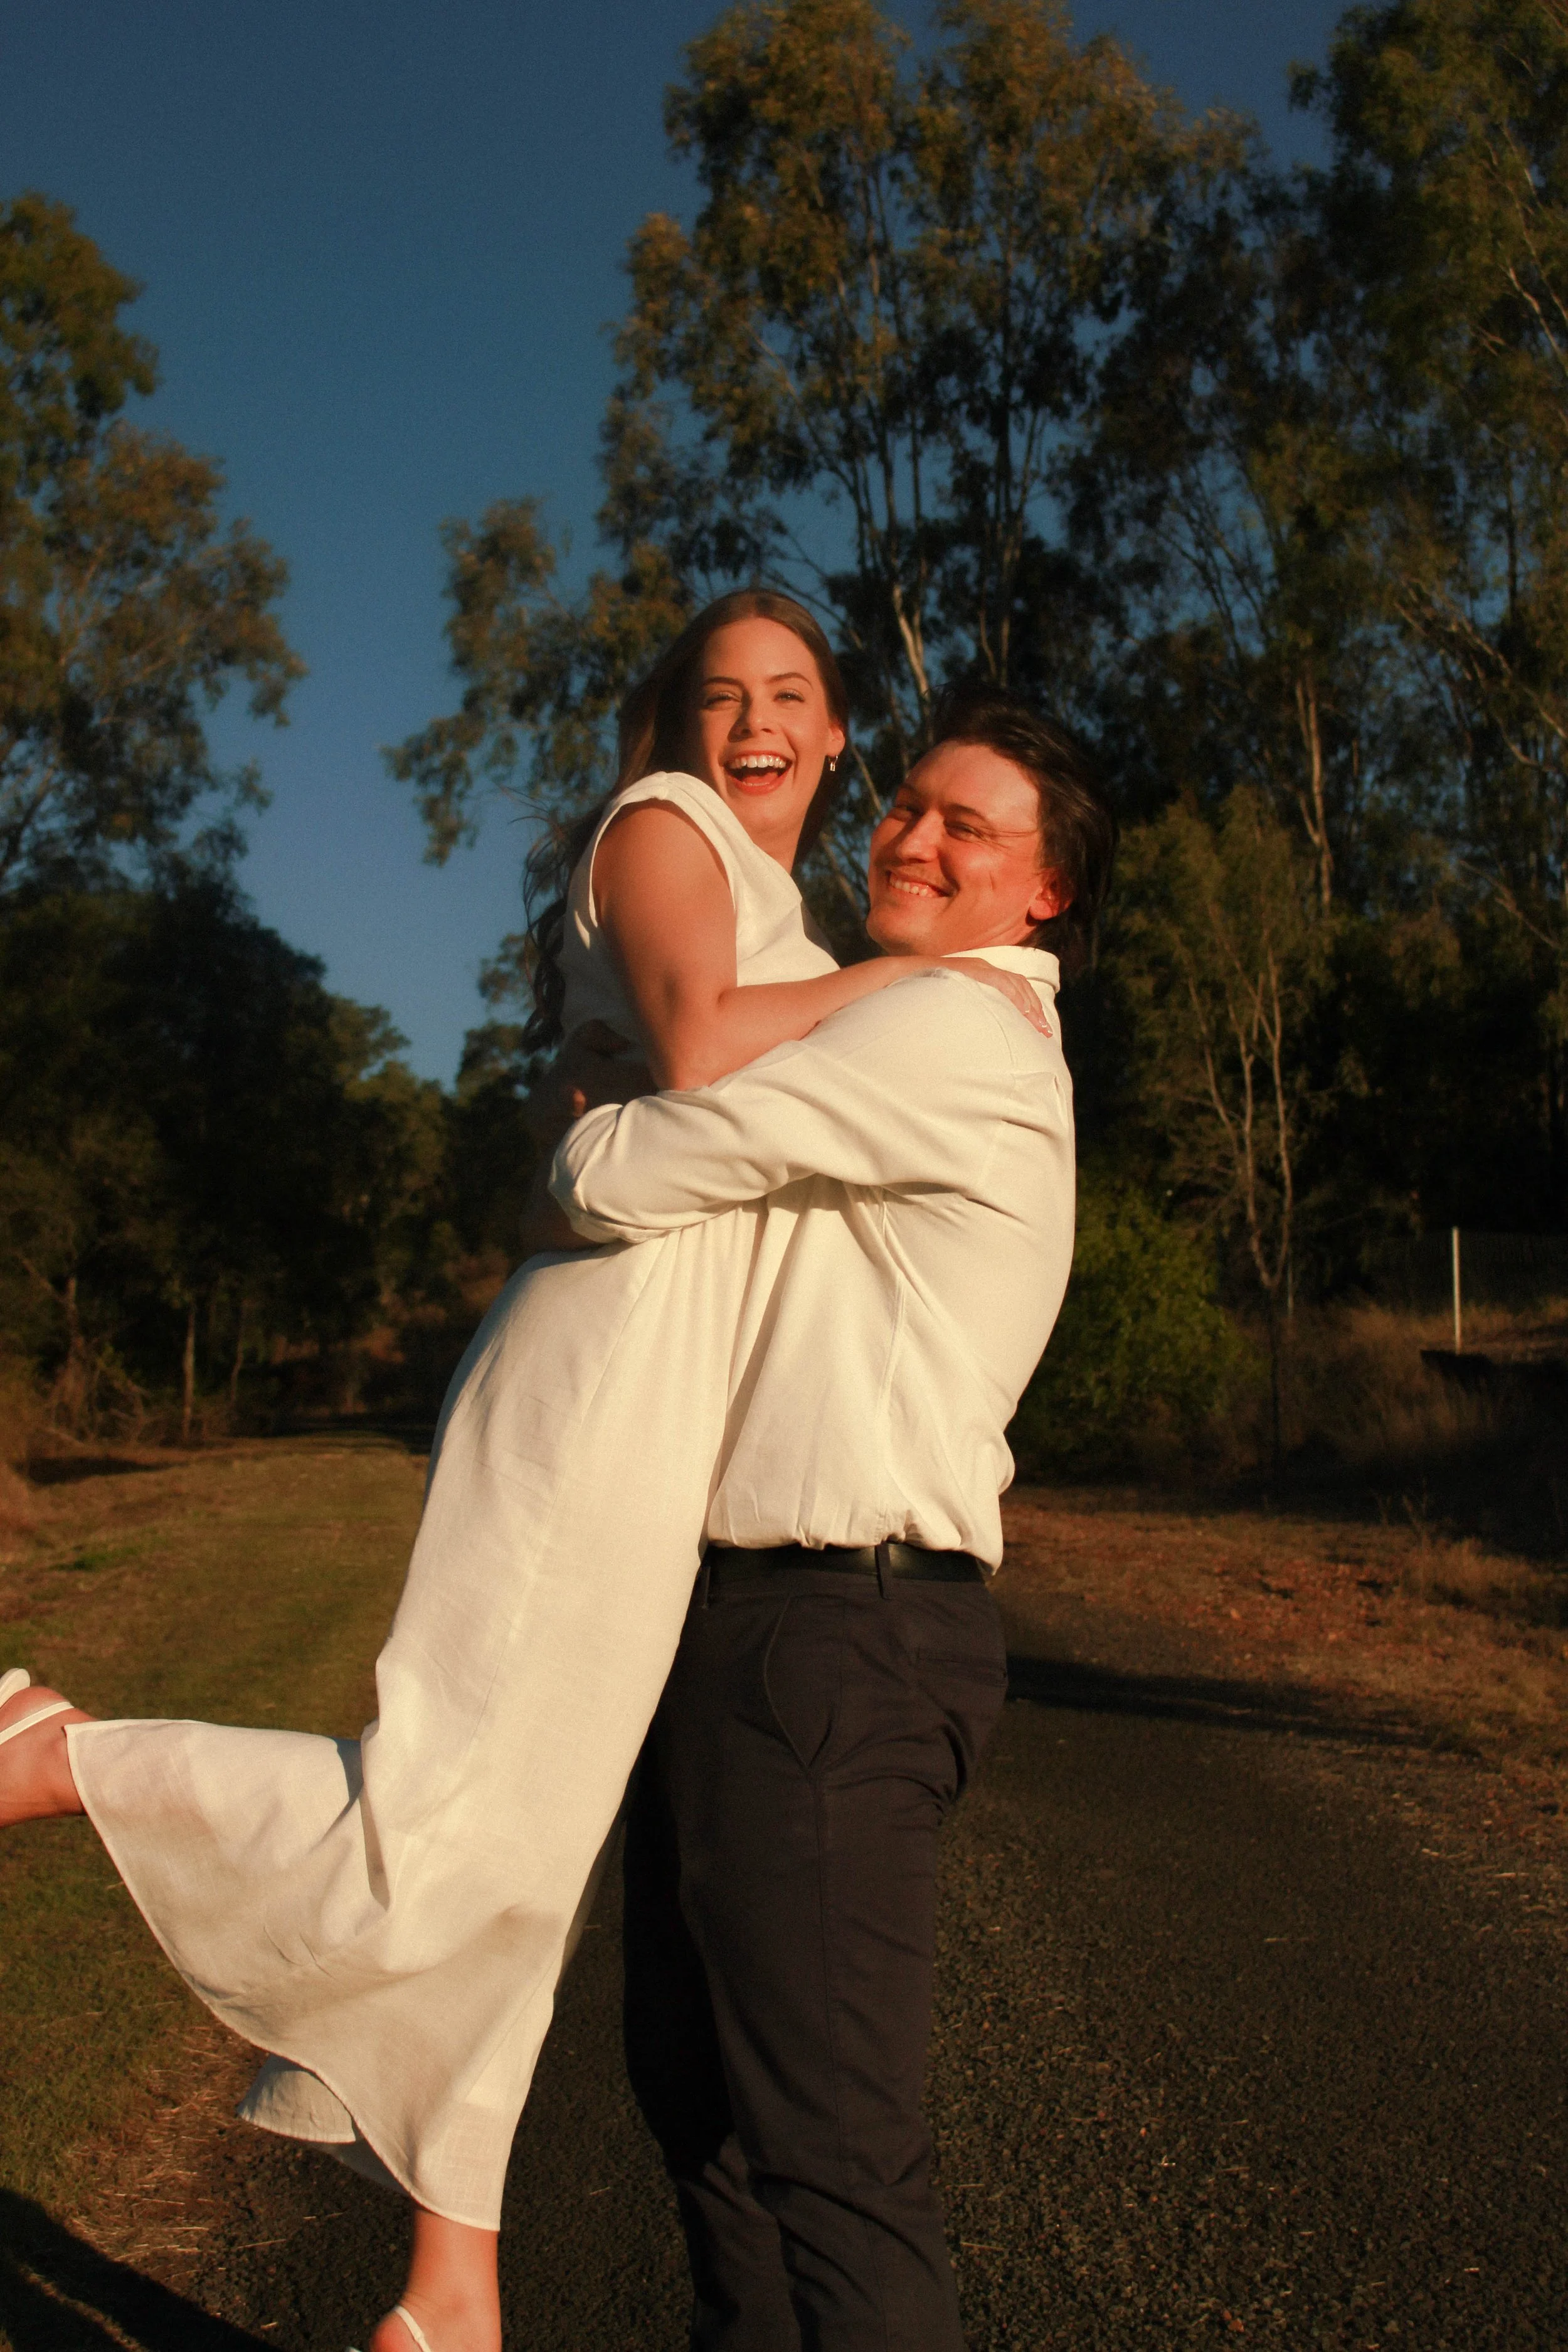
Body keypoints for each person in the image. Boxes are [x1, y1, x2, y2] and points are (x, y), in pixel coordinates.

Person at [0, 593, 1046, 2352]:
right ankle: (56, 1751)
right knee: (448, 1813)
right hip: (598, 1373)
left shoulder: (801, 909)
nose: (754, 721)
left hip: (668, 1393)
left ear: (842, 725)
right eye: (718, 694)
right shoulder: (666, 829)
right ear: (670, 720)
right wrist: (940, 970)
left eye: (791, 693)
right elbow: (703, 1047)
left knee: (530, 1843)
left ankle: (451, 2282)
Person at [549, 684, 1116, 2351]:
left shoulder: (948, 1030)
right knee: (702, 2110)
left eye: (970, 825)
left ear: (1043, 893)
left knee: (831, 2157)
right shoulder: (891, 1009)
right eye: (910, 801)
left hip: (833, 1635)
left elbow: (624, 1172)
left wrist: (586, 1129)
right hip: (749, 1626)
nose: (915, 834)